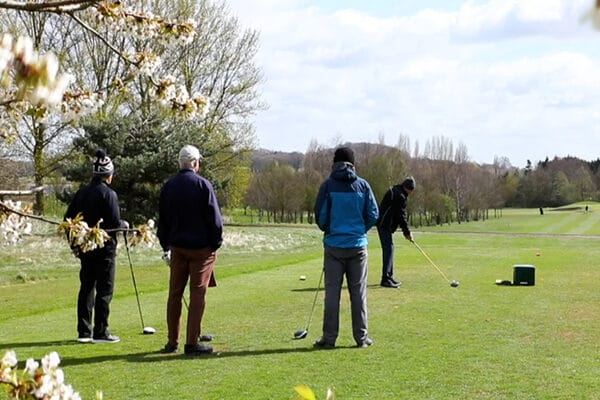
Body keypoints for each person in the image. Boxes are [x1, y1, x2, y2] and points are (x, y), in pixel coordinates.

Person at [157, 145, 223, 356]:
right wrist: (216, 243)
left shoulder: (169, 186)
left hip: (177, 247)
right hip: (201, 249)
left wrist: (165, 245)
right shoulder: (203, 185)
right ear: (195, 163)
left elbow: (163, 221)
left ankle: (172, 341)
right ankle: (191, 342)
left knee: (175, 294)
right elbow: (215, 220)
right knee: (197, 293)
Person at [313, 146, 379, 349]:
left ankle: (329, 338)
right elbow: (373, 214)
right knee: (358, 293)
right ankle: (361, 338)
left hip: (334, 246)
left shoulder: (328, 186)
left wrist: (330, 229)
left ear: (335, 163)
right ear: (353, 163)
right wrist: (360, 230)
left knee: (332, 294)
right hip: (358, 246)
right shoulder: (363, 185)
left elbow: (321, 216)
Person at [64, 149, 128, 343]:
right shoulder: (109, 194)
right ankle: (101, 331)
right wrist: (124, 225)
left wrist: (74, 244)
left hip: (85, 249)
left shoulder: (81, 193)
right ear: (109, 176)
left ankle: (84, 331)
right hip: (105, 250)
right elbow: (114, 223)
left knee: (86, 287)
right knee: (105, 290)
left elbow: (68, 221)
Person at [376, 176, 415, 288]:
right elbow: (401, 216)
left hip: (384, 224)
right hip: (384, 225)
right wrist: (407, 233)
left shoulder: (396, 190)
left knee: (390, 248)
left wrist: (405, 232)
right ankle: (386, 279)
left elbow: (399, 215)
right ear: (409, 188)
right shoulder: (400, 196)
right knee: (389, 249)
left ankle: (389, 277)